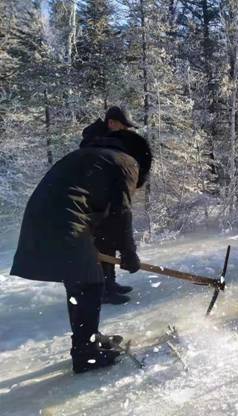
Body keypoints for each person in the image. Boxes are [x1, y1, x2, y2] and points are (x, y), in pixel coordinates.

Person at [10, 129, 152, 373]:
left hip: (39, 217)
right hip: (66, 221)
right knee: (90, 283)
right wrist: (129, 253)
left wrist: (106, 246)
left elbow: (95, 207)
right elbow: (121, 213)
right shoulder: (127, 162)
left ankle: (89, 340)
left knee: (80, 279)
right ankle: (86, 354)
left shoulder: (92, 156)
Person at [81, 106, 138, 305]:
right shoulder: (96, 144)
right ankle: (102, 290)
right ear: (112, 123)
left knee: (108, 240)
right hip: (92, 203)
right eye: (124, 127)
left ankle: (109, 283)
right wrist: (129, 250)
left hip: (102, 201)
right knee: (101, 243)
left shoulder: (105, 141)